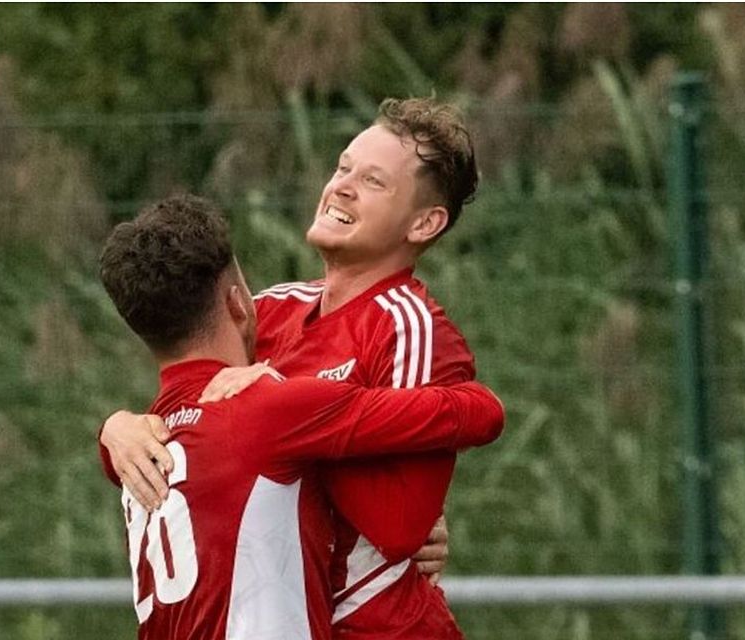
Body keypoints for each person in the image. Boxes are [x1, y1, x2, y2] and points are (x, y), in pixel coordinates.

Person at [101, 97, 486, 638]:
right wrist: (115, 432)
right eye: (343, 167)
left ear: (424, 222)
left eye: (374, 182)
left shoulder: (409, 325)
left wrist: (284, 414)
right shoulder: (270, 308)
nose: (342, 186)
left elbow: (400, 526)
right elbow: (195, 435)